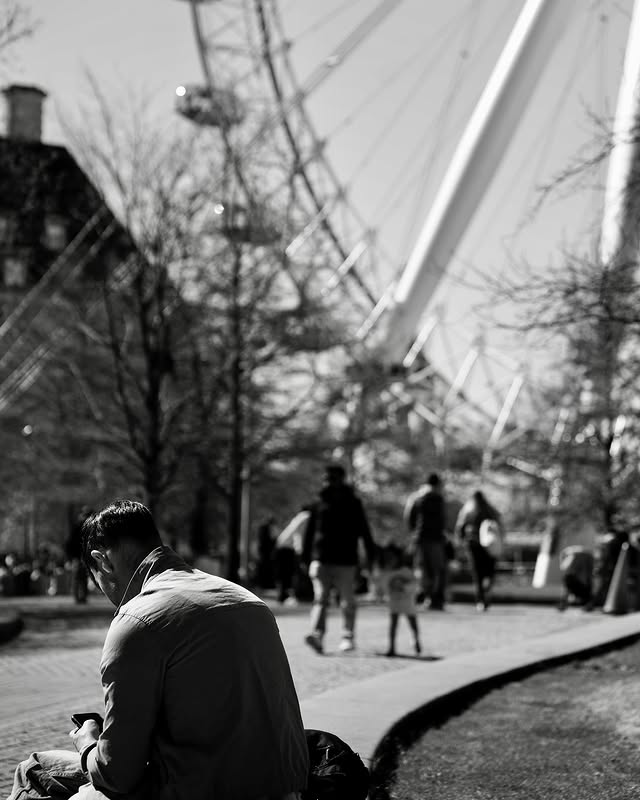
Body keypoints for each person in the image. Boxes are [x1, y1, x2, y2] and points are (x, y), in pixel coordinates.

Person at [8, 499, 309, 800]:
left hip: (197, 789)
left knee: (37, 772)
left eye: (96, 580)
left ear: (102, 562)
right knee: (38, 766)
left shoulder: (138, 619)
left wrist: (88, 743)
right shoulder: (248, 600)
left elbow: (117, 773)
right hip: (285, 787)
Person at [301, 464, 376, 654]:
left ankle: (347, 636)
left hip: (346, 560)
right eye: (328, 478)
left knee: (347, 600)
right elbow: (309, 533)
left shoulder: (353, 503)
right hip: (321, 559)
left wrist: (371, 555)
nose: (330, 481)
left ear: (342, 479)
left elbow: (364, 530)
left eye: (334, 477)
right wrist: (305, 557)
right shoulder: (318, 503)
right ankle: (317, 636)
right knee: (320, 599)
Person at [403, 473, 448, 610]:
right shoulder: (439, 498)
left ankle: (427, 596)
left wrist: (413, 533)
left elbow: (408, 517)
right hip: (435, 539)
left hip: (421, 538)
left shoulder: (416, 497)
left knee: (423, 569)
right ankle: (434, 598)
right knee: (437, 570)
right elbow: (443, 519)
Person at [454, 489, 504, 611]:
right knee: (489, 571)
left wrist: (461, 540)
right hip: (489, 545)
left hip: (473, 544)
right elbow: (500, 526)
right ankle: (486, 589)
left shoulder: (467, 510)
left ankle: (480, 599)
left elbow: (460, 527)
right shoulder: (490, 509)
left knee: (477, 573)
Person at [383, 544, 422, 657]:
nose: (390, 560)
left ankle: (416, 639)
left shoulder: (406, 571)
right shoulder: (387, 573)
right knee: (393, 625)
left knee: (412, 623)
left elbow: (414, 585)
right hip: (394, 602)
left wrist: (403, 587)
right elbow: (384, 587)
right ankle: (392, 647)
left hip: (407, 602)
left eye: (392, 558)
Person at [558, 544, 595, 611]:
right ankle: (588, 604)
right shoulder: (585, 556)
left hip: (574, 575)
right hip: (579, 577)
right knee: (582, 582)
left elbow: (563, 567)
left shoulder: (571, 554)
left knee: (569, 582)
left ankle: (563, 603)